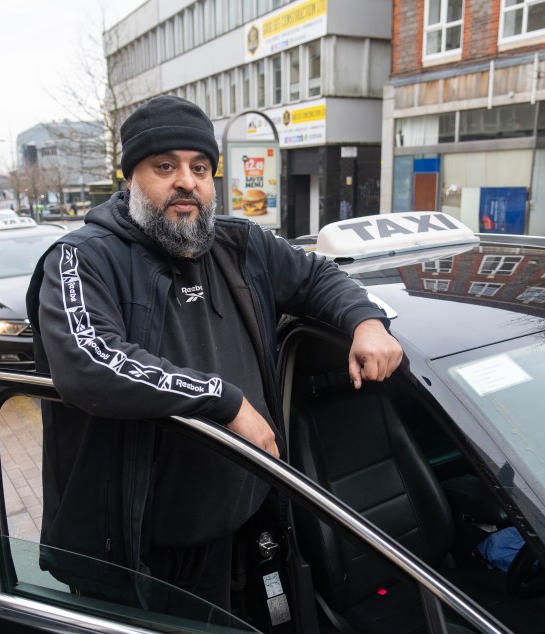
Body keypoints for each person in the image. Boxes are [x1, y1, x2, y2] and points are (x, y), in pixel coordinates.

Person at [26, 95, 403, 610]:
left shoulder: (239, 244)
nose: (187, 181)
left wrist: (365, 322)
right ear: (131, 177)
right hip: (137, 554)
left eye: (200, 167)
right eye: (165, 166)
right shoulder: (83, 258)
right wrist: (223, 401)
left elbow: (318, 276)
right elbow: (90, 361)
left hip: (242, 532)